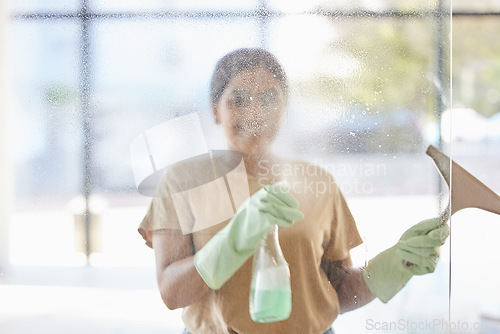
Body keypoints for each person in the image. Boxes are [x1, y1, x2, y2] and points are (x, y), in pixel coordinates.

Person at [138, 48, 449, 334]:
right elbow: (172, 293)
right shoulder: (183, 182)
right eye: (239, 99)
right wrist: (230, 243)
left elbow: (337, 290)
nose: (256, 112)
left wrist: (393, 265)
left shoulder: (317, 182)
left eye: (270, 98)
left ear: (285, 109)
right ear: (215, 109)